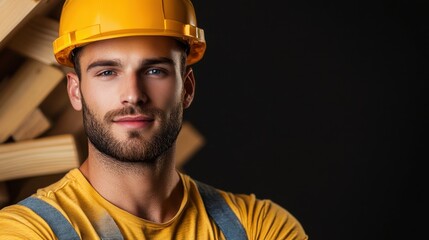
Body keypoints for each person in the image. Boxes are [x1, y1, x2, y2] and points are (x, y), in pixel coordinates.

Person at [0, 0, 308, 239]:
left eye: (154, 71)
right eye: (108, 72)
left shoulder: (259, 227)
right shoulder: (28, 231)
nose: (133, 95)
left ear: (186, 88)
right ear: (76, 91)